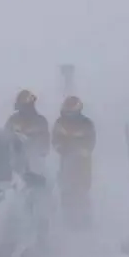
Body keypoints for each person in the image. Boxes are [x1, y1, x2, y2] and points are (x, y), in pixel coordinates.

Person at [52, 96, 96, 229]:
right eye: (67, 112)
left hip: (82, 163)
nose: (69, 115)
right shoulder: (60, 123)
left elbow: (91, 142)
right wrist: (60, 148)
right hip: (66, 161)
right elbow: (55, 140)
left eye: (71, 112)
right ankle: (68, 219)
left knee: (81, 190)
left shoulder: (87, 124)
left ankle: (84, 219)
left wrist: (83, 151)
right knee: (66, 190)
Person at [4, 90, 50, 158]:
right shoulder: (13, 119)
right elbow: (6, 135)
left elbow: (45, 139)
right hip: (16, 158)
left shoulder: (40, 121)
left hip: (35, 159)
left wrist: (42, 152)